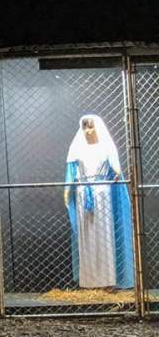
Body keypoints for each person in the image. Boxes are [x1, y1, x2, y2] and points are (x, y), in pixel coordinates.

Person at [63, 114, 134, 290]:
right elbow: (71, 173)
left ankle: (107, 280)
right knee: (86, 234)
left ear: (98, 127)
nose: (87, 131)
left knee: (104, 232)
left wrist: (117, 171)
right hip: (83, 193)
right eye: (84, 127)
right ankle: (89, 281)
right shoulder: (77, 149)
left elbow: (116, 168)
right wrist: (67, 192)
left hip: (103, 192)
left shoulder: (106, 147)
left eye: (91, 126)